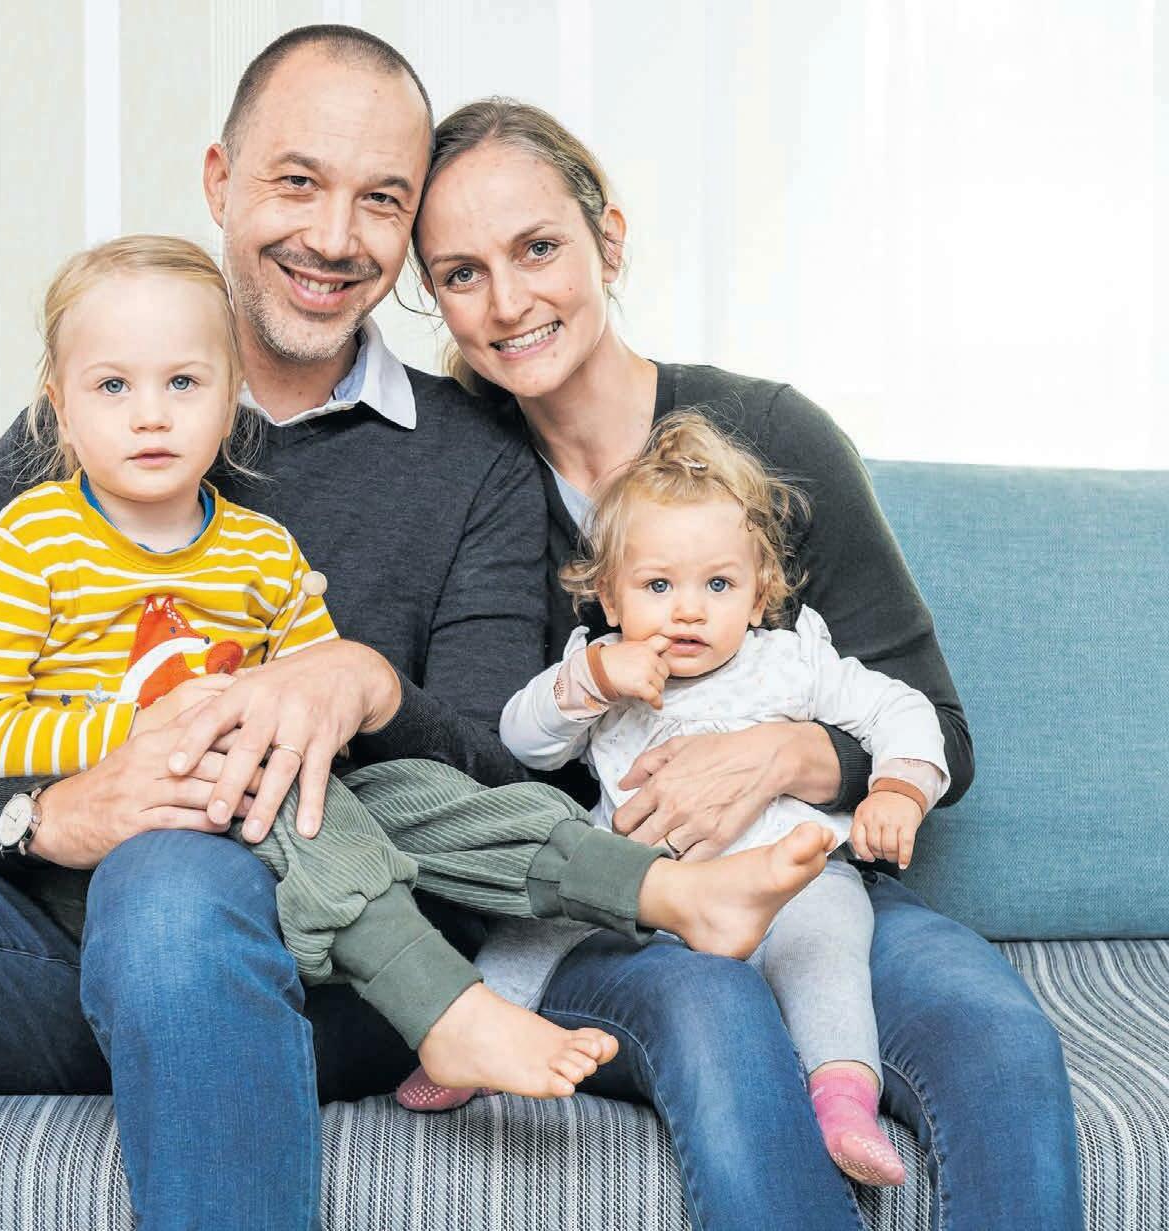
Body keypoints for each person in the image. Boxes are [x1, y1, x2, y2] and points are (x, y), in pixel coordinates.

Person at [0, 28, 835, 1231]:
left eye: (380, 199)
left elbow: (506, 775)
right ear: (220, 180)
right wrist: (53, 814)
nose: (334, 237)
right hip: (45, 942)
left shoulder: (473, 463)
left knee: (177, 876)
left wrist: (366, 683)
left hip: (322, 953)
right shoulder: (65, 441)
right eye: (297, 181)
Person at [0, 233, 837, 1100]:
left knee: (416, 789)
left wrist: (311, 710)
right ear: (60, 406)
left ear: (231, 395)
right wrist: (139, 732)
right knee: (284, 797)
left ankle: (667, 888)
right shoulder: (28, 543)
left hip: (268, 809)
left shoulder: (262, 549)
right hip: (122, 855)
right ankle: (444, 1008)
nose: (150, 414)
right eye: (112, 386)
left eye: (183, 382)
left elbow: (321, 713)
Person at [410, 96, 1083, 1230]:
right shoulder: (452, 477)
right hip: (600, 911)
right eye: (461, 273)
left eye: (538, 248)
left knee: (997, 1041)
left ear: (608, 241)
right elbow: (470, 759)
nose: (509, 302)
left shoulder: (768, 435)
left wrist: (781, 752)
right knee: (712, 1014)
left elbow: (938, 730)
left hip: (806, 876)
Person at [405, 412, 950, 1189]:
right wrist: (593, 680)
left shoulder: (789, 663)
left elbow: (904, 708)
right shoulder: (602, 668)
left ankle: (842, 1098)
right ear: (608, 593)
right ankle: (472, 1041)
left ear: (759, 594)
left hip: (792, 883)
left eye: (718, 585)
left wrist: (897, 786)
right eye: (658, 585)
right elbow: (524, 740)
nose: (688, 609)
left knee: (830, 947)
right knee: (534, 919)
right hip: (641, 888)